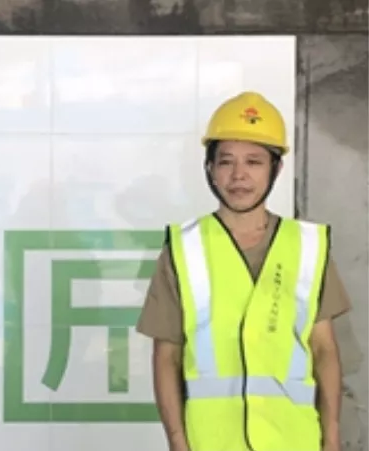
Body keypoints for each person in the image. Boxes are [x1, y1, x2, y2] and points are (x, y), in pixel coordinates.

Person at [136, 91, 349, 451]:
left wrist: (331, 437)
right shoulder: (184, 249)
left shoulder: (308, 248)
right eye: (226, 162)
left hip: (293, 440)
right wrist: (177, 441)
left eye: (254, 162)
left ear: (276, 169)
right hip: (212, 442)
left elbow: (324, 349)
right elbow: (167, 355)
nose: (239, 175)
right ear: (210, 169)